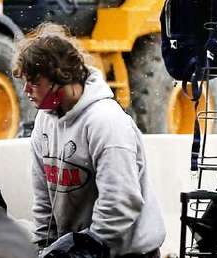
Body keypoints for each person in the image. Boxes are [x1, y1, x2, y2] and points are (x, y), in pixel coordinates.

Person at [15, 24, 164, 258]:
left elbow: (120, 203)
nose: (26, 90)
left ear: (59, 78)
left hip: (123, 253)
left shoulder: (106, 122)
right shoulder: (44, 121)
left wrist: (86, 247)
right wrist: (46, 246)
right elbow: (44, 199)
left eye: (33, 82)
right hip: (80, 249)